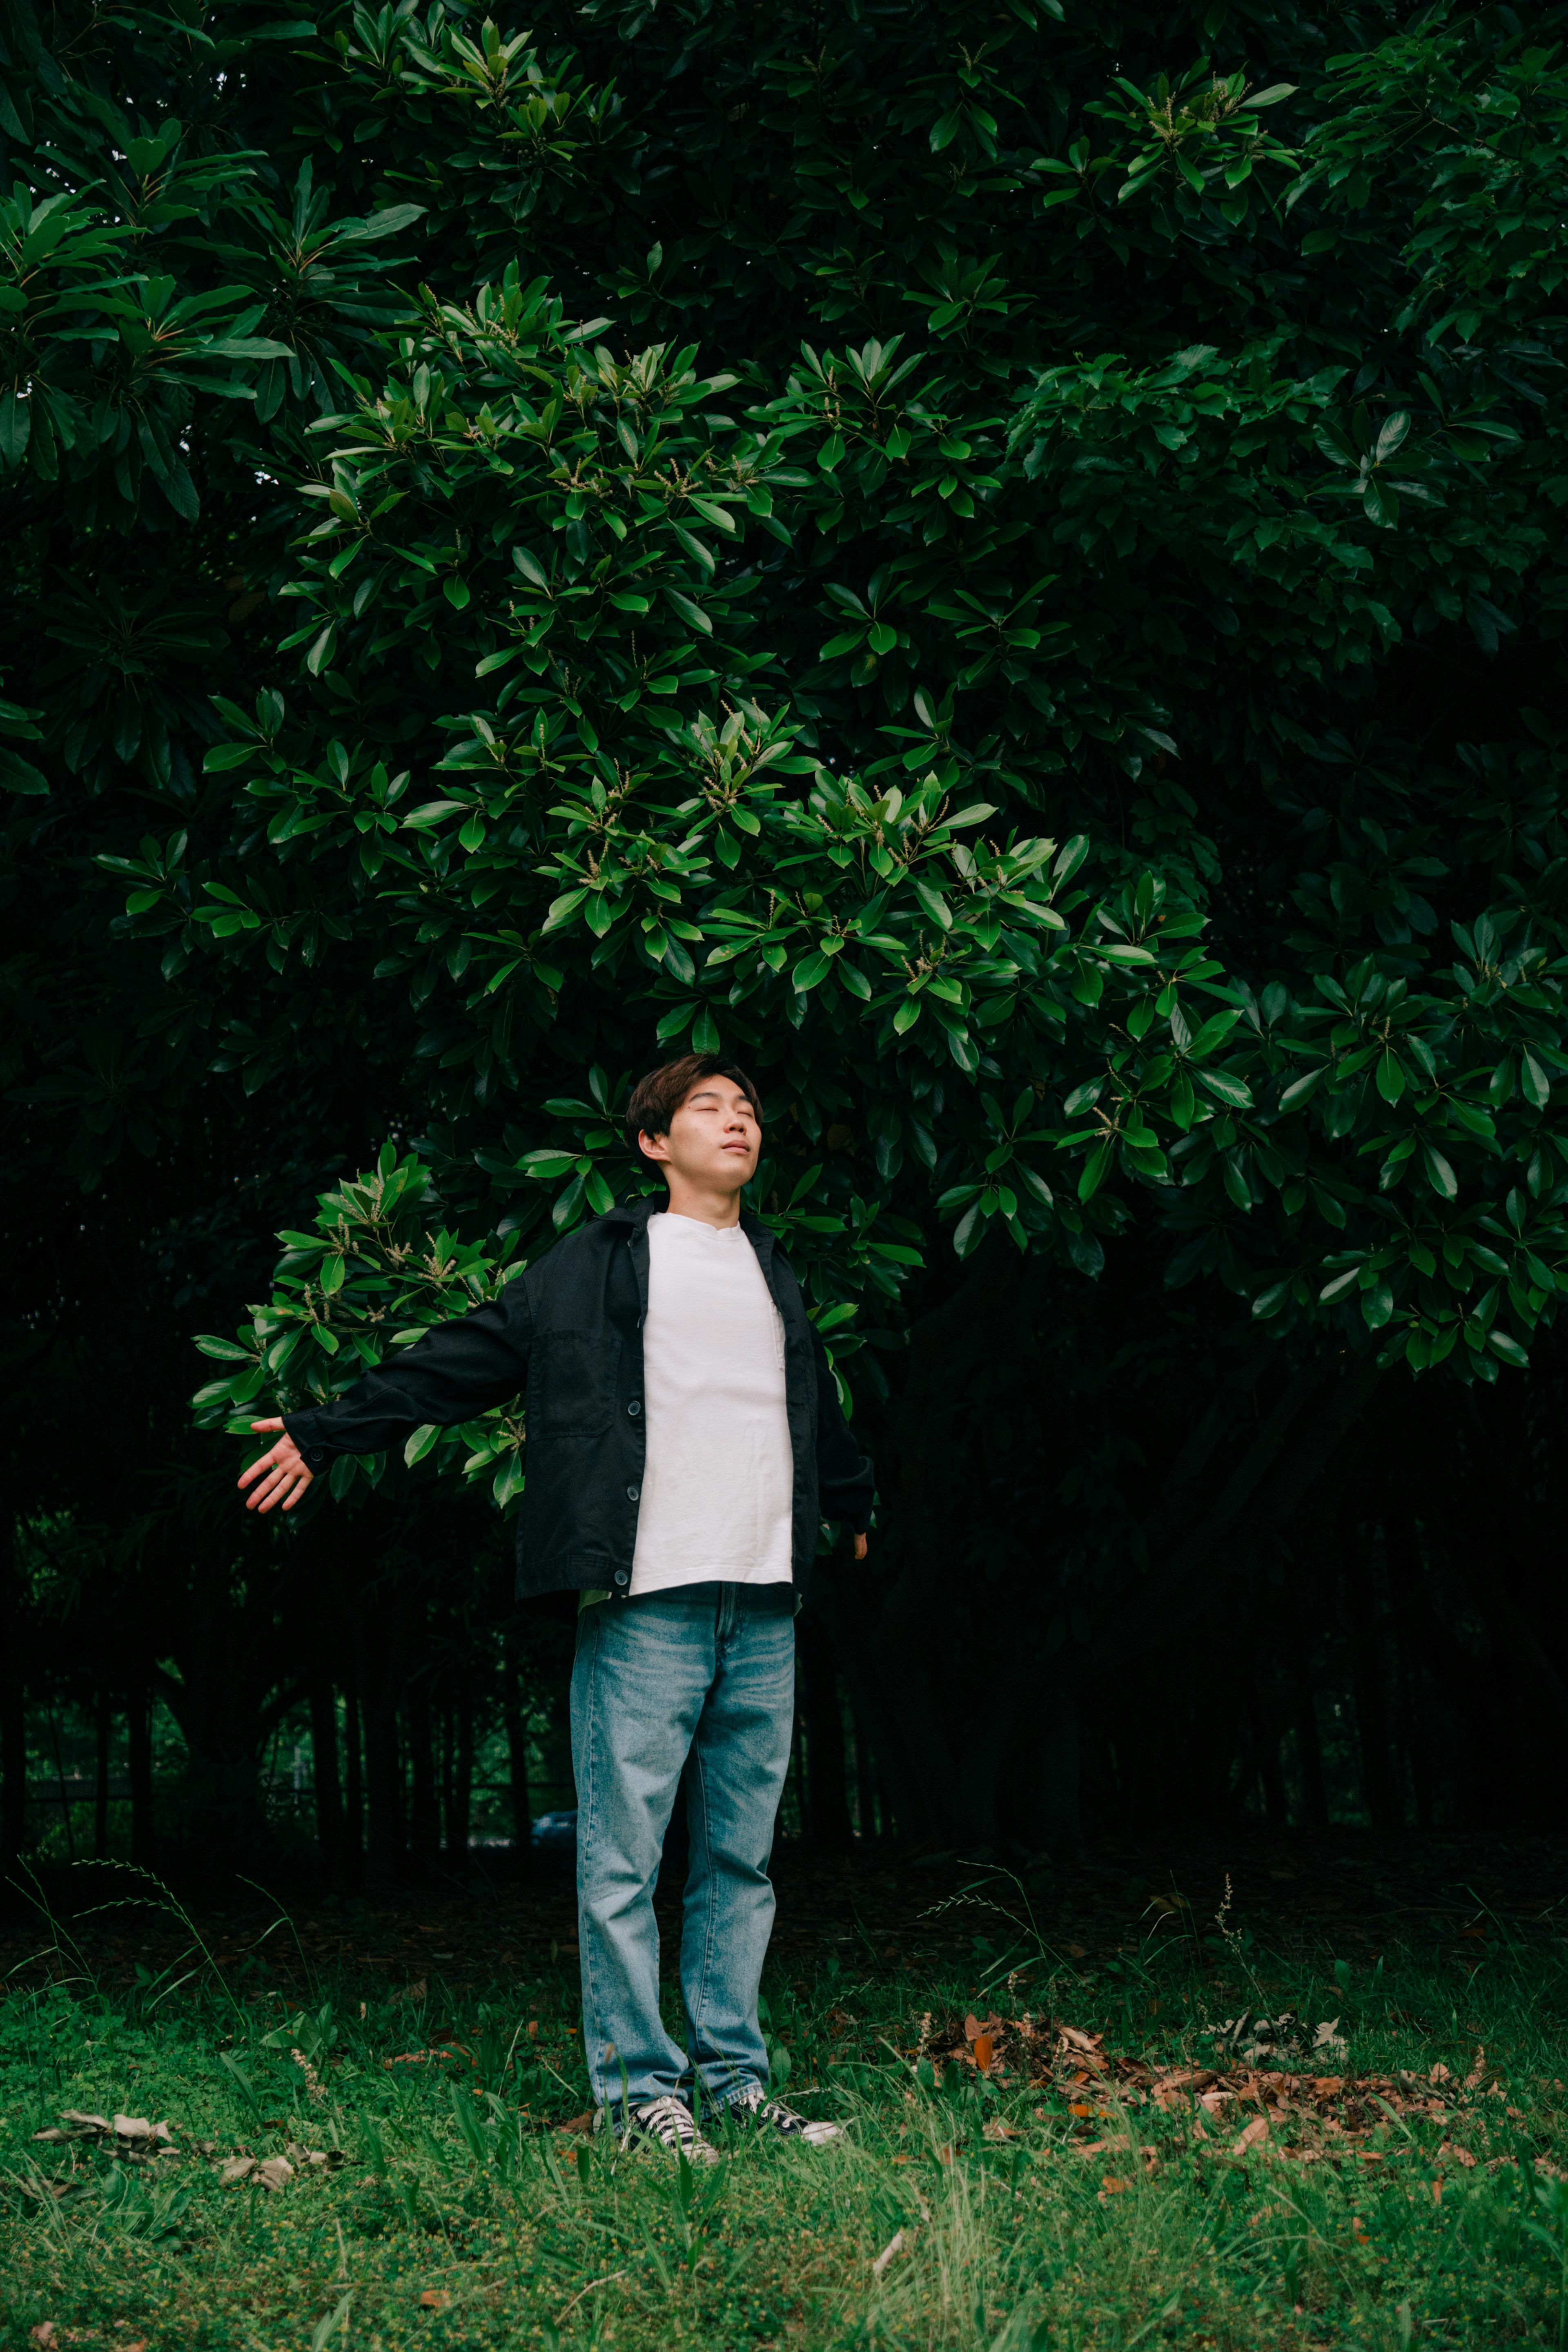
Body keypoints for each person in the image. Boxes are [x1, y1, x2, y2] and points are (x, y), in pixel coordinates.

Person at [239, 1052, 874, 2160]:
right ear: (652, 1142)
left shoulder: (774, 1270)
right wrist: (323, 1431)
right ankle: (639, 2095)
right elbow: (464, 1360)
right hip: (649, 1605)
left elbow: (809, 1408)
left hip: (763, 1602)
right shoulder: (596, 1264)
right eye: (709, 1108)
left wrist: (857, 1499)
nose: (738, 1122)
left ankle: (732, 2081)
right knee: (622, 1862)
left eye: (750, 1110)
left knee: (739, 1862)